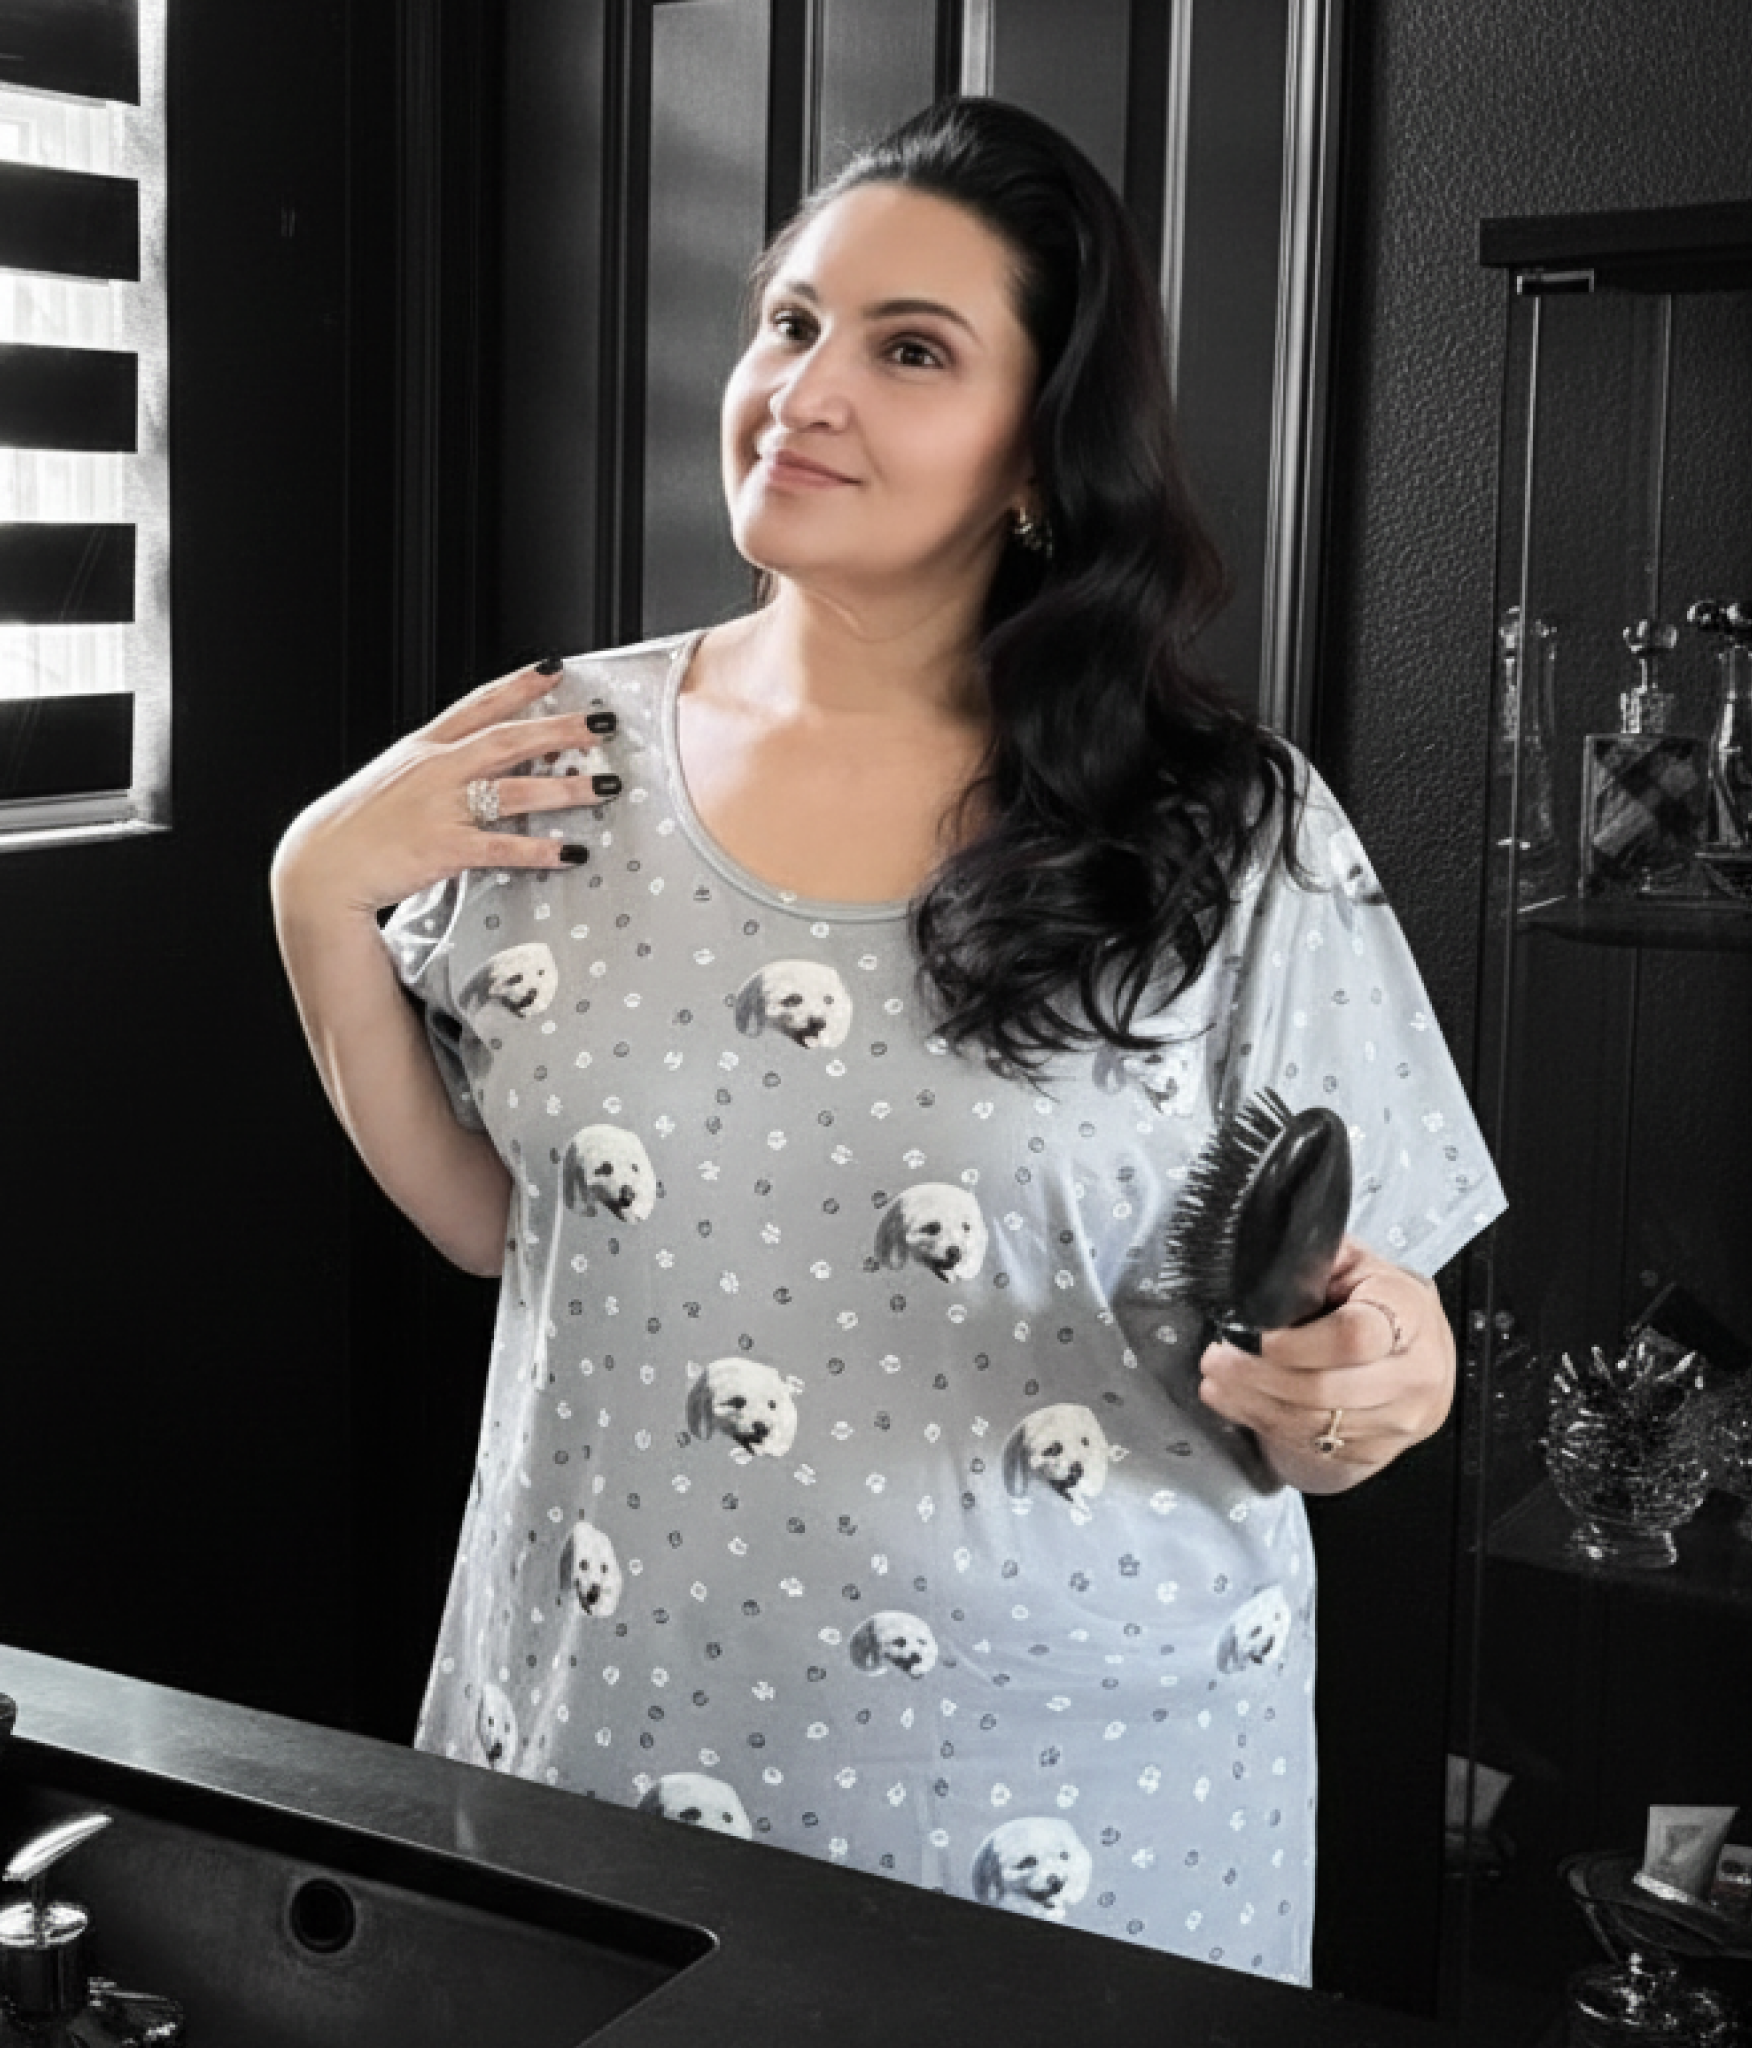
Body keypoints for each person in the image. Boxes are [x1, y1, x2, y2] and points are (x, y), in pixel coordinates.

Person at [271, 96, 1504, 1983]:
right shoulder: (547, 763)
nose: (806, 388)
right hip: (608, 1729)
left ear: (1037, 455)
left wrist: (1369, 1381)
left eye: (910, 349)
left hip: (1090, 1805)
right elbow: (501, 1232)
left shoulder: (1226, 820)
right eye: (790, 323)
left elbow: (1367, 1318)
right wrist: (312, 894)